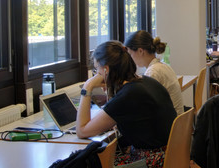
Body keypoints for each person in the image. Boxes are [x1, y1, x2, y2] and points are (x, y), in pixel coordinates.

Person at [76, 40, 177, 168]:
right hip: (169, 156)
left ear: (106, 70)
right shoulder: (147, 82)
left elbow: (82, 131)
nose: (97, 75)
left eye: (97, 70)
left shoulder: (127, 96)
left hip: (150, 162)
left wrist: (87, 87)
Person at [124, 30, 184, 116]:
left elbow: (143, 106)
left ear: (141, 51)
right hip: (176, 123)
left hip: (169, 125)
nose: (130, 59)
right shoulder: (162, 66)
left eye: (130, 54)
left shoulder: (153, 72)